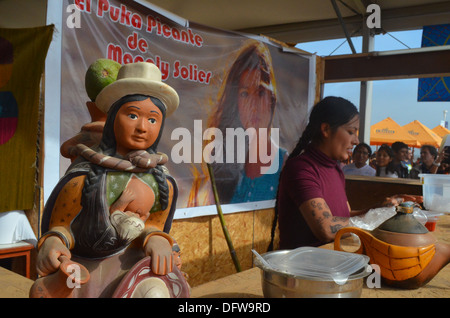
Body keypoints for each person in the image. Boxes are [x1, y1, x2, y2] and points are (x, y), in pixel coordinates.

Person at [33, 62, 189, 298]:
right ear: (114, 117)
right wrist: (54, 242)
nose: (142, 128)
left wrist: (156, 238)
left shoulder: (161, 180)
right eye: (133, 115)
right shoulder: (84, 176)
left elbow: (155, 225)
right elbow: (61, 226)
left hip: (132, 270)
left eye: (153, 119)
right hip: (82, 272)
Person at [273, 97, 414, 250]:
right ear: (326, 129)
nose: (356, 140)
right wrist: (374, 218)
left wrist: (379, 209)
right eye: (351, 132)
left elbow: (346, 216)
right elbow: (327, 229)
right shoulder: (301, 168)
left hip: (334, 260)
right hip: (302, 267)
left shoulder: (336, 169)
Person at [188, 40, 287, 205]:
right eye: (244, 94)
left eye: (261, 92)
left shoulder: (287, 167)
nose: (252, 105)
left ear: (272, 99)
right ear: (236, 103)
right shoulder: (222, 162)